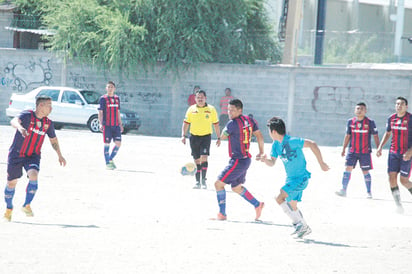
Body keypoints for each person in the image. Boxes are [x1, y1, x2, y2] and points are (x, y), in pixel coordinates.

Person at [260, 117, 329, 238]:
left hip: (301, 178)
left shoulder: (292, 141)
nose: (269, 133)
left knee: (279, 197)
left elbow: (312, 144)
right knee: (292, 205)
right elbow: (272, 162)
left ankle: (298, 224)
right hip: (290, 179)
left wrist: (321, 163)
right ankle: (304, 228)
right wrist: (265, 160)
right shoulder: (275, 145)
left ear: (274, 132)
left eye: (269, 131)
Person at [3, 95, 66, 222]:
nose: (51, 108)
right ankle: (9, 208)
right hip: (16, 154)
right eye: (49, 105)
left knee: (33, 175)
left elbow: (53, 139)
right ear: (41, 105)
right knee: (12, 182)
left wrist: (59, 155)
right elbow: (14, 121)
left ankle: (26, 205)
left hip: (33, 155)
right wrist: (20, 128)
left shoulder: (48, 124)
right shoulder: (27, 115)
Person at [214, 99, 265, 221]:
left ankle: (222, 214)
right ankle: (257, 204)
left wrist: (223, 132)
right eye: (228, 110)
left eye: (232, 110)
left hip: (237, 160)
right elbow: (259, 135)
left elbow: (223, 136)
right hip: (246, 159)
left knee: (218, 184)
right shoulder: (250, 120)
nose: (229, 112)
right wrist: (261, 151)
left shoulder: (232, 123)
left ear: (240, 110)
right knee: (236, 187)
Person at [336, 102, 380, 198]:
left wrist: (378, 148)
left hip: (365, 152)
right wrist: (343, 148)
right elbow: (347, 135)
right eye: (358, 109)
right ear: (355, 110)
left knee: (365, 171)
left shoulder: (370, 122)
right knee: (348, 168)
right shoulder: (350, 122)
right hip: (352, 151)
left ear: (365, 111)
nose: (359, 111)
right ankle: (343, 190)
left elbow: (375, 135)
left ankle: (369, 192)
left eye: (361, 109)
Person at [377, 96, 412, 213]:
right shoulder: (391, 118)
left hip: (407, 154)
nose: (399, 106)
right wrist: (380, 147)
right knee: (391, 178)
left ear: (406, 106)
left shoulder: (410, 119)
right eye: (397, 104)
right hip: (393, 152)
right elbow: (387, 133)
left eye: (402, 104)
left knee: (404, 180)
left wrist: (410, 152)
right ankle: (398, 205)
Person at [181, 90, 221, 189]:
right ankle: (197, 181)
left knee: (204, 157)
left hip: (206, 137)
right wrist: (183, 135)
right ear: (195, 99)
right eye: (198, 97)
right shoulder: (191, 109)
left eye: (202, 97)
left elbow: (216, 124)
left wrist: (219, 137)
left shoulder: (211, 109)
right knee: (196, 160)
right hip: (194, 137)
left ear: (205, 98)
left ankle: (204, 180)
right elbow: (186, 123)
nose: (200, 99)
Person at [98, 81, 124, 170]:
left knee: (118, 143)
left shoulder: (117, 99)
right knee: (107, 144)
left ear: (114, 89)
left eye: (111, 87)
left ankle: (110, 159)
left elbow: (118, 112)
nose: (110, 89)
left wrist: (120, 124)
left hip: (116, 125)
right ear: (106, 88)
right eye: (108, 87)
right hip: (107, 125)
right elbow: (100, 112)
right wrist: (100, 123)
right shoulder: (103, 99)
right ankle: (107, 163)